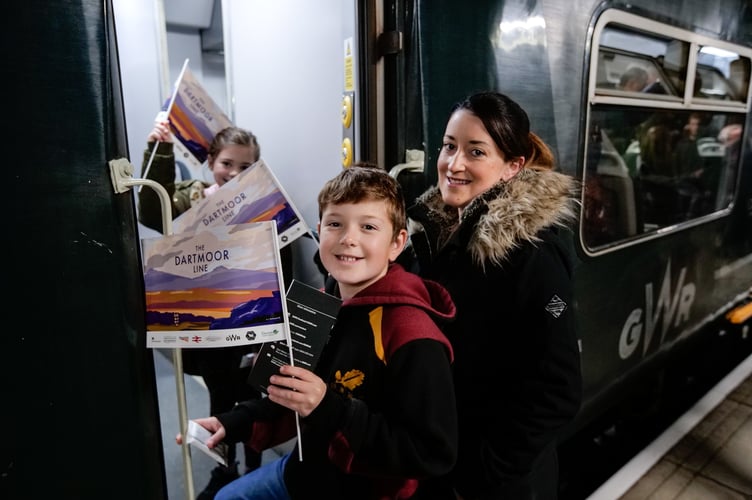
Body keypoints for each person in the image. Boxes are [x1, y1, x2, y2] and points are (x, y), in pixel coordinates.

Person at [177, 165, 458, 500]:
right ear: (319, 229)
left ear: (397, 243)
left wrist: (329, 407)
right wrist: (233, 423)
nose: (348, 238)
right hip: (306, 473)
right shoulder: (317, 304)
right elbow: (292, 395)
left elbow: (431, 453)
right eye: (335, 224)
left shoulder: (411, 334)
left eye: (368, 226)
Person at [405, 91, 583, 499]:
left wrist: (479, 473)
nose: (455, 163)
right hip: (437, 461)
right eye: (449, 146)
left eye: (476, 152)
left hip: (493, 483)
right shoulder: (432, 232)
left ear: (512, 167)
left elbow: (557, 392)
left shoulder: (532, 255)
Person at [138, 122, 273, 499]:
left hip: (253, 321)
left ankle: (252, 470)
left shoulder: (264, 205)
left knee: (255, 399)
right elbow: (151, 209)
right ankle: (224, 470)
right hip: (210, 325)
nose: (235, 174)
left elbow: (282, 260)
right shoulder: (191, 198)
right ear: (210, 161)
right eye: (227, 163)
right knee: (220, 398)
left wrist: (279, 328)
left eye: (247, 167)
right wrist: (160, 150)